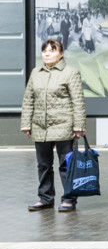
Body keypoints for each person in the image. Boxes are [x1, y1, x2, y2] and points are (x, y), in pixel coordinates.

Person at [20, 39, 87, 212]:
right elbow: (28, 100)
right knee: (43, 165)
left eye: (52, 50)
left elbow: (77, 101)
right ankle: (45, 198)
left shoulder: (71, 73)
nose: (47, 54)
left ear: (61, 53)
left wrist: (78, 126)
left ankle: (69, 199)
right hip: (40, 127)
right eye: (44, 51)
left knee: (66, 166)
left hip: (64, 127)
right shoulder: (36, 72)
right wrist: (26, 123)